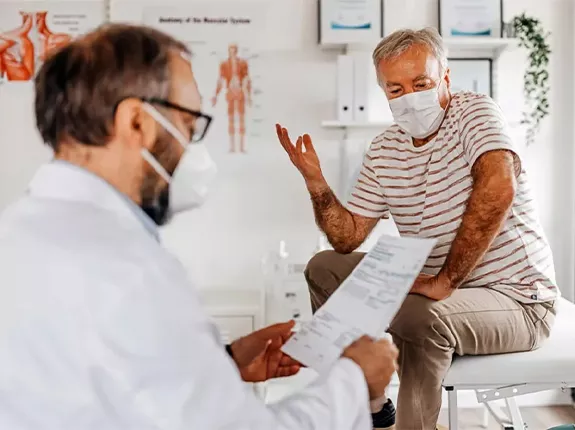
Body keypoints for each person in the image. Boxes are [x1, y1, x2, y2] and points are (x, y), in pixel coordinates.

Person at [0, 24, 399, 430]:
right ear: (136, 121)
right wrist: (353, 379)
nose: (193, 146)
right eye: (190, 125)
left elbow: (98, 380)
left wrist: (222, 360)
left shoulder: (18, 233)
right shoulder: (128, 268)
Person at [276, 27, 558, 430]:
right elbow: (346, 237)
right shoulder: (384, 149)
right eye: (395, 89)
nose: (410, 97)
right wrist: (317, 184)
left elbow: (499, 184)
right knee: (323, 267)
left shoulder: (474, 112)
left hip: (519, 299)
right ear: (384, 92)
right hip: (438, 288)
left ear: (445, 77)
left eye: (420, 83)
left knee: (418, 312)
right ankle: (372, 403)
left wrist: (445, 280)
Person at [211, 43, 252, 153]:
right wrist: (216, 95)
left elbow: (247, 79)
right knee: (231, 119)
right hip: (230, 93)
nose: (232, 52)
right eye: (231, 50)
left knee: (241, 119)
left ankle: (242, 146)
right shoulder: (224, 64)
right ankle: (232, 146)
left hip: (240, 92)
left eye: (234, 50)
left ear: (236, 51)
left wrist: (248, 95)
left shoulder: (243, 63)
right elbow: (220, 80)